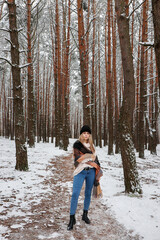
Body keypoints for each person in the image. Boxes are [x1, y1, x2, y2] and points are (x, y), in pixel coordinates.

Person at [67, 125, 101, 230]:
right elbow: (77, 158)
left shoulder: (92, 146)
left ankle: (85, 214)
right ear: (81, 134)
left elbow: (96, 159)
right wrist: (89, 157)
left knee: (87, 193)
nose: (86, 135)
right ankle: (72, 218)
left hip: (91, 172)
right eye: (84, 133)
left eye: (87, 133)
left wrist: (97, 169)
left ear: (89, 135)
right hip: (80, 171)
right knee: (75, 194)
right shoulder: (77, 144)